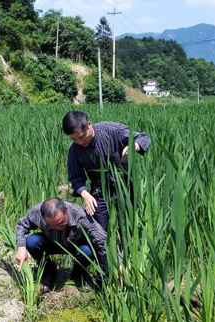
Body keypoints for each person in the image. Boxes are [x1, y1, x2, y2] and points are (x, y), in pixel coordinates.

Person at [62, 111, 151, 272]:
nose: (80, 142)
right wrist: (84, 193)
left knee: (127, 227)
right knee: (100, 233)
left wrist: (134, 146)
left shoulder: (111, 131)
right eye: (74, 139)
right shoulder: (74, 150)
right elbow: (75, 177)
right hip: (98, 191)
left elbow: (143, 138)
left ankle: (129, 266)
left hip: (124, 186)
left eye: (82, 137)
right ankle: (107, 272)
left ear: (89, 124)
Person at [15, 197, 107, 291]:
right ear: (43, 217)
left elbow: (101, 238)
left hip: (76, 246)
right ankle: (48, 270)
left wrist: (116, 264)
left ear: (66, 211)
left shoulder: (79, 214)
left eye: (61, 223)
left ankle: (78, 274)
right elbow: (21, 225)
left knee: (88, 250)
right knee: (31, 241)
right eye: (52, 225)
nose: (58, 228)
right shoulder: (37, 212)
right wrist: (21, 247)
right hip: (52, 243)